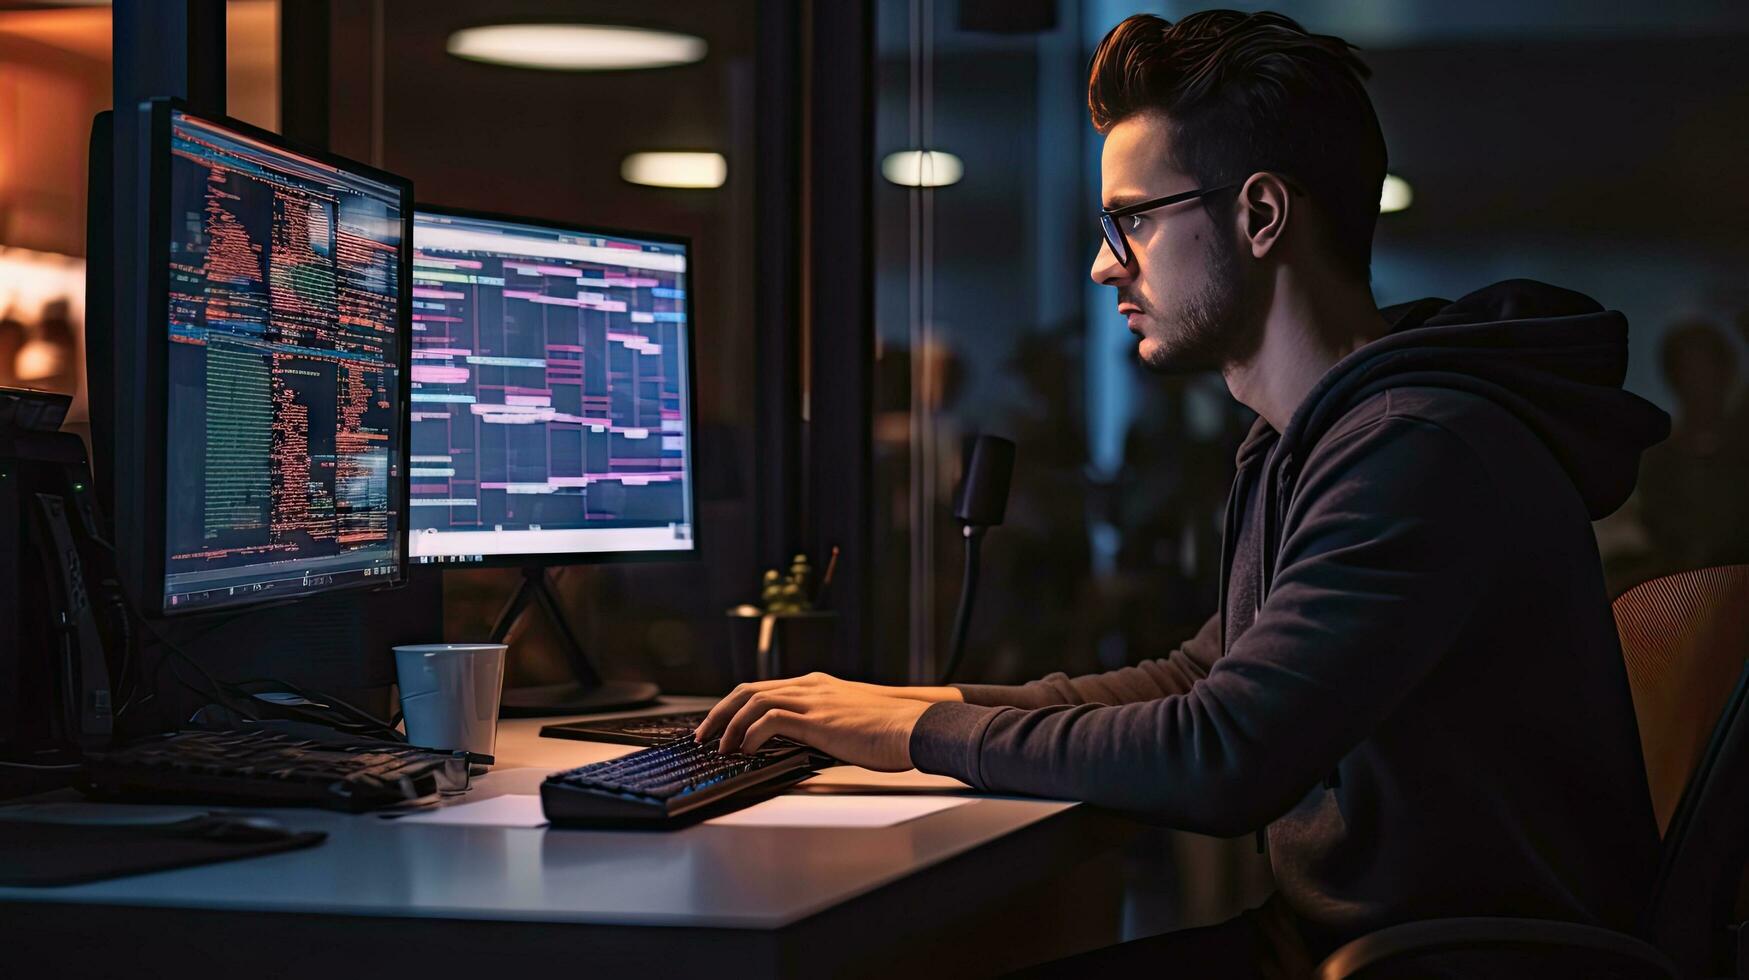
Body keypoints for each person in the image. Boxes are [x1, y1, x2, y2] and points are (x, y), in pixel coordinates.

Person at [696, 10, 1670, 975]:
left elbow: (1222, 753)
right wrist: (910, 701)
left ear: (1259, 215)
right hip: (1336, 946)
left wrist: (916, 732)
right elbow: (1199, 677)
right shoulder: (1317, 440)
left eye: (1132, 219)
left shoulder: (1419, 449)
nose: (1102, 262)